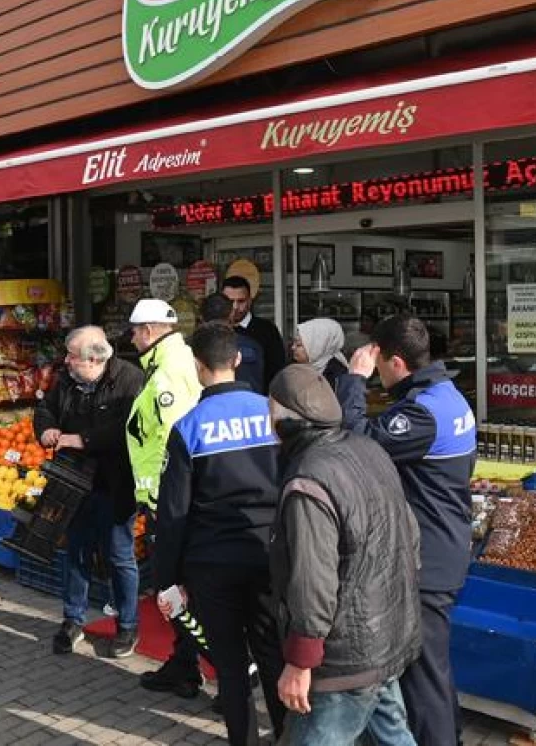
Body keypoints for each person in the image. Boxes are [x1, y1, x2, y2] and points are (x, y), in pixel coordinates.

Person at [336, 315, 477, 746]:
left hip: (428, 561)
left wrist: (354, 381)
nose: (376, 371)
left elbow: (356, 440)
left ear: (396, 362)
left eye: (378, 364)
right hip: (444, 546)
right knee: (433, 668)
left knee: (421, 674)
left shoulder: (423, 414)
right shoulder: (447, 395)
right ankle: (447, 733)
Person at [268, 365, 421, 746]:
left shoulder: (308, 477)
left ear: (283, 419)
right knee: (392, 735)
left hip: (346, 656)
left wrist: (301, 660)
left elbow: (311, 579)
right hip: (386, 634)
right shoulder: (367, 448)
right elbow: (410, 537)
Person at [154, 323, 286, 746]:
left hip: (212, 565)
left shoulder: (189, 427)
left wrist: (165, 578)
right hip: (268, 555)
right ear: (237, 360)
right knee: (272, 657)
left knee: (230, 668)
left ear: (197, 366)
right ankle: (287, 737)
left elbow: (173, 513)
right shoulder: (273, 412)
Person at [36, 326, 145, 658]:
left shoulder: (130, 380)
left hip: (115, 483)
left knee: (120, 555)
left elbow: (127, 428)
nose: (67, 361)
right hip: (73, 481)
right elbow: (44, 410)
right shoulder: (66, 378)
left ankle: (127, 625)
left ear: (96, 359)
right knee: (76, 551)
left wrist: (82, 439)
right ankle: (73, 620)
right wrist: (47, 429)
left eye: (73, 356)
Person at [125, 298, 205, 699]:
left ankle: (231, 665)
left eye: (136, 331)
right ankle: (186, 662)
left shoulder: (166, 374)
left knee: (171, 588)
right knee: (176, 587)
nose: (133, 337)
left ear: (152, 332)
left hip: (169, 502)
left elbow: (174, 438)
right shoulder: (171, 362)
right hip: (169, 498)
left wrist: (163, 495)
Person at [222, 276, 287, 385]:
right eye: (230, 301)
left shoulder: (267, 330)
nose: (235, 307)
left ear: (250, 301)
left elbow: (276, 372)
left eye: (241, 301)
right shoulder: (216, 329)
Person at [201, 293, 265, 393]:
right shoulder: (251, 346)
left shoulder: (189, 348)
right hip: (248, 404)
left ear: (201, 317)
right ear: (231, 314)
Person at [290, 318, 349, 392]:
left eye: (299, 345)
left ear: (318, 346)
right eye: (293, 343)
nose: (293, 347)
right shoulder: (293, 369)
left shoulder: (336, 377)